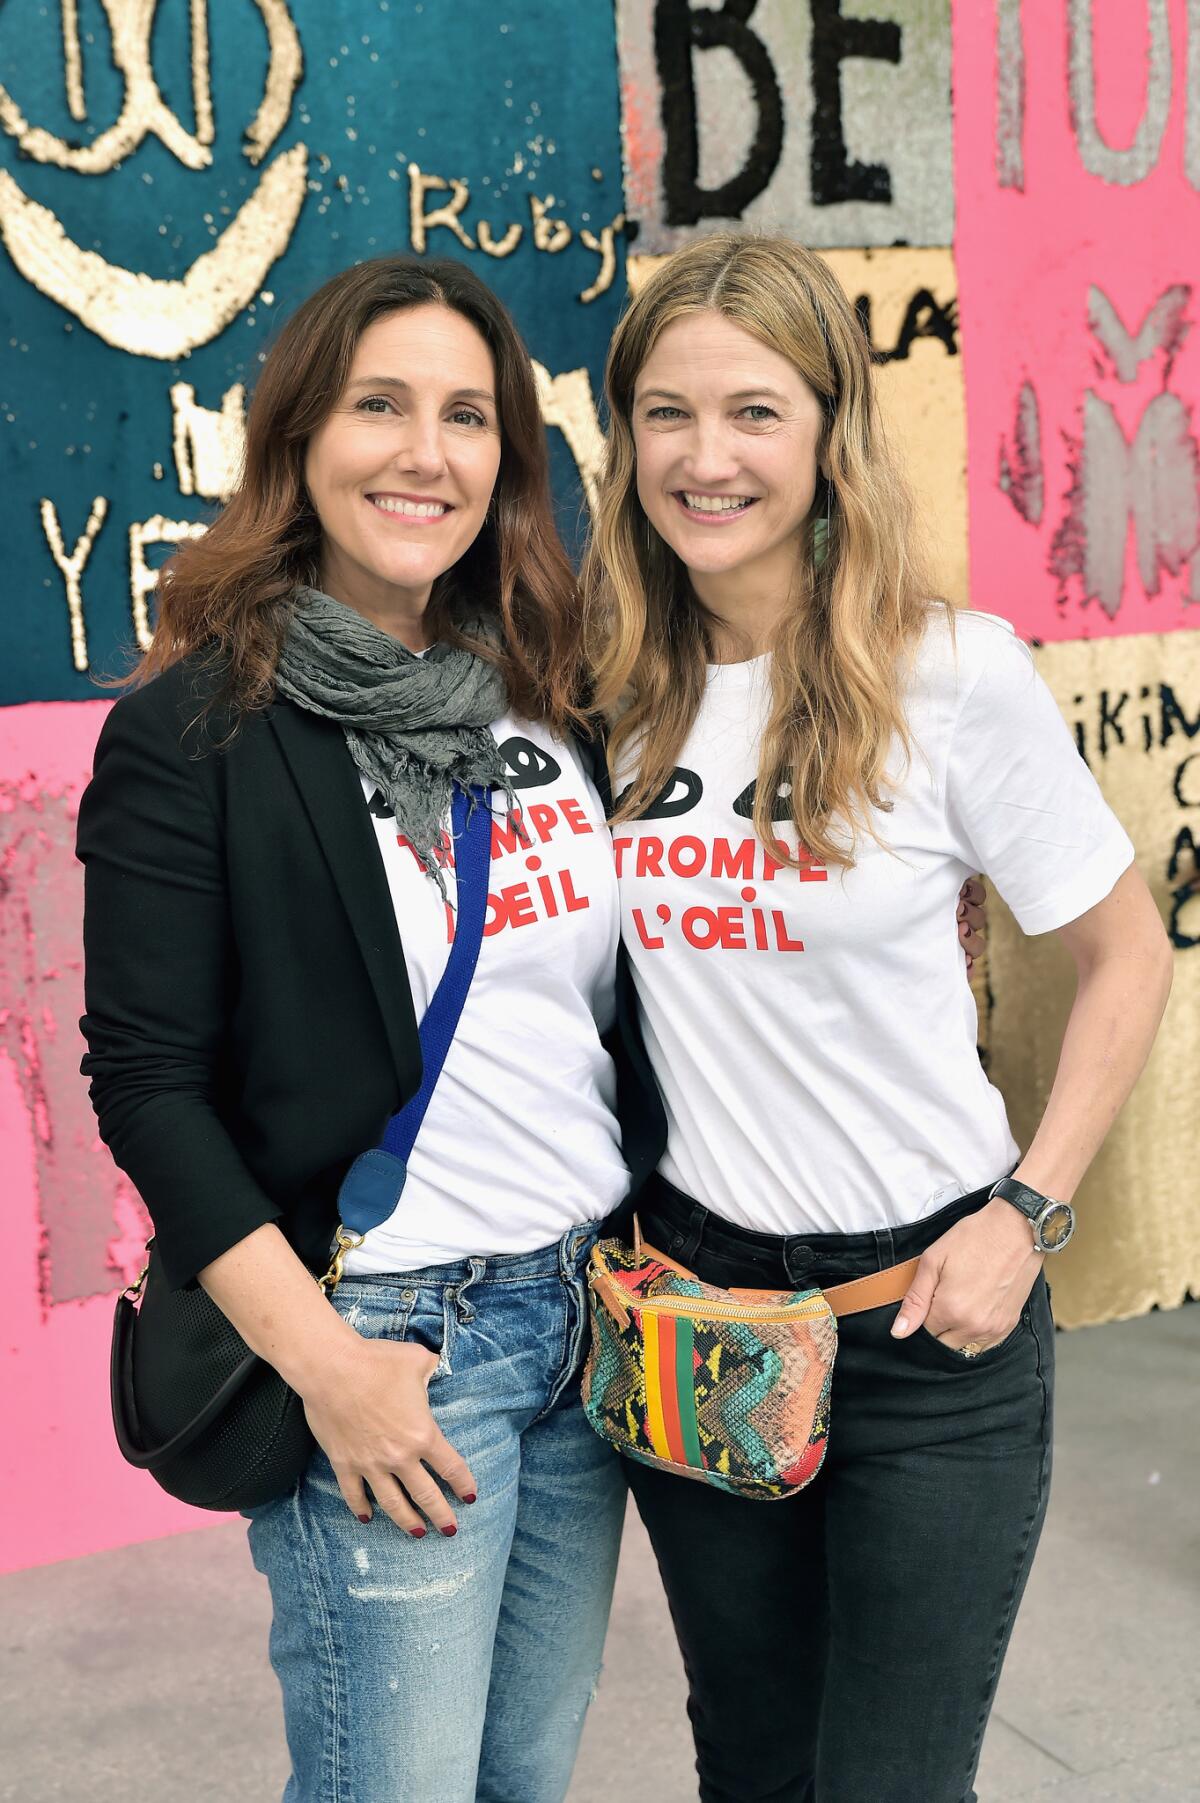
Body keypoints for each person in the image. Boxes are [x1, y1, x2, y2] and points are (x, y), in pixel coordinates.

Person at [581, 233, 1173, 1803]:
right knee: (756, 1771)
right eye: (666, 413)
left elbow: (1130, 954)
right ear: (622, 434)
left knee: (894, 1783)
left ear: (832, 430)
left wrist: (1028, 1212)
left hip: (932, 1330)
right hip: (704, 1322)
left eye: (754, 412)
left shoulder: (952, 677)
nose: (707, 459)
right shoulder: (604, 687)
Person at [76, 255, 663, 1803]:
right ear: (297, 441)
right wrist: (329, 1366)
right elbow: (145, 1084)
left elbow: (601, 1024)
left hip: (582, 1328)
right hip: (398, 1340)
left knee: (522, 1781)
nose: (427, 452)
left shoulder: (546, 694)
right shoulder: (198, 730)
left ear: (509, 460)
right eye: (379, 405)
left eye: (468, 415)